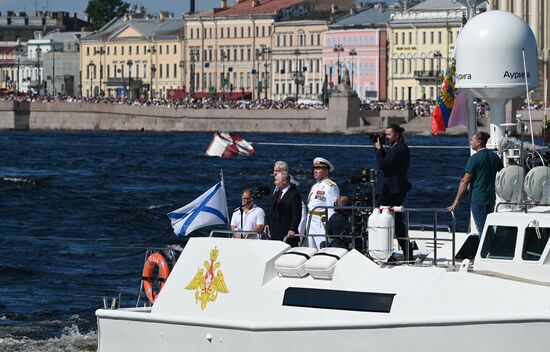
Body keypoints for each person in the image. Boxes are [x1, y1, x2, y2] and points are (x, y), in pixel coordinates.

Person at [448, 131, 503, 234]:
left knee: (482, 227)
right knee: (489, 227)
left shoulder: (474, 159)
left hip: (478, 198)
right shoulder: (495, 157)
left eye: (472, 140)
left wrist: (456, 201)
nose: (471, 142)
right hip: (491, 197)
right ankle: (490, 246)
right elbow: (503, 174)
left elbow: (465, 181)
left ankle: (486, 249)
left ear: (479, 142)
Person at [374, 124, 413, 260]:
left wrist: (379, 150)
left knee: (392, 223)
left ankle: (405, 252)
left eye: (388, 135)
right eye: (385, 135)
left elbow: (383, 165)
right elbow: (389, 163)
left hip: (391, 192)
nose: (386, 137)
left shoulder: (399, 149)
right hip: (393, 190)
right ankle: (406, 252)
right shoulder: (398, 149)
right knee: (395, 223)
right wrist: (382, 150)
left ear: (397, 135)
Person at [307, 157, 340, 248]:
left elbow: (331, 210)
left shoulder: (331, 187)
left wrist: (330, 229)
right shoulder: (315, 186)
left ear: (326, 171)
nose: (315, 171)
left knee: (322, 250)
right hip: (311, 223)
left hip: (321, 225)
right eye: (314, 168)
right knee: (311, 251)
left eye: (318, 169)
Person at [266, 171, 302, 247]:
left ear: (284, 181)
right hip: (275, 232)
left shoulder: (294, 194)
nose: (274, 182)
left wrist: (293, 228)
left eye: (277, 180)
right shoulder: (276, 193)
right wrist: (267, 223)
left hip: (288, 233)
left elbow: (297, 214)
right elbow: (270, 209)